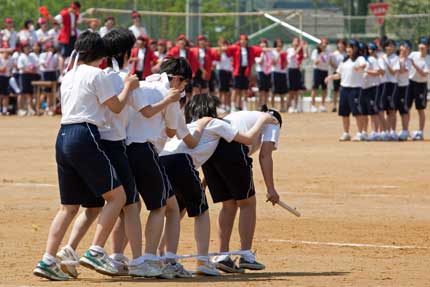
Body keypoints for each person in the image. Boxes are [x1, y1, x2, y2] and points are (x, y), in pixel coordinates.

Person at [32, 30, 140, 281]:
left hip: (63, 136)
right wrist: (128, 86)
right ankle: (96, 249)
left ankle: (48, 259)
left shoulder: (68, 75)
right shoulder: (97, 74)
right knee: (118, 196)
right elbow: (116, 106)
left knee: (69, 207)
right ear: (99, 54)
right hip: (85, 134)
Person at [160, 94, 277, 275]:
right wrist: (263, 119)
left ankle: (161, 257)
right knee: (205, 211)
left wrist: (206, 180)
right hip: (184, 164)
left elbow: (203, 150)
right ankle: (207, 261)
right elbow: (249, 140)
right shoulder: (216, 123)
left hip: (163, 162)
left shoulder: (190, 125)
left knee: (174, 211)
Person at [195, 101, 281, 273]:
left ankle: (222, 256)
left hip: (211, 150)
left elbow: (218, 147)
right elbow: (265, 155)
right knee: (247, 204)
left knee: (228, 205)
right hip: (233, 149)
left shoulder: (243, 114)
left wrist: (205, 181)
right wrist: (271, 188)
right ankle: (245, 255)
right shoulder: (272, 121)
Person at [325, 40, 367, 141]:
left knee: (357, 113)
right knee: (344, 113)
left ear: (356, 49)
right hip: (344, 89)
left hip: (355, 89)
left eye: (351, 47)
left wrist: (359, 67)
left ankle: (360, 133)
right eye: (347, 47)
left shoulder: (359, 59)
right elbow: (339, 74)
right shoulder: (344, 61)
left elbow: (364, 65)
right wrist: (330, 77)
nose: (348, 49)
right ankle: (346, 133)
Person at [223, 34, 262, 111]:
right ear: (239, 41)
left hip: (246, 70)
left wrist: (264, 48)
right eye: (241, 39)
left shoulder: (250, 49)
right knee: (235, 89)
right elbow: (227, 50)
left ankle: (244, 106)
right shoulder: (236, 48)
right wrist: (226, 47)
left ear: (247, 41)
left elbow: (259, 50)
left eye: (245, 40)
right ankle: (233, 106)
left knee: (245, 89)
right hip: (238, 70)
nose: (243, 41)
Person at [408, 37, 430, 141]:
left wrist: (413, 64)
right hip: (410, 83)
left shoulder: (428, 59)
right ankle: (405, 130)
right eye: (420, 44)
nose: (422, 46)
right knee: (406, 108)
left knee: (420, 109)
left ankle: (420, 132)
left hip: (421, 85)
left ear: (428, 47)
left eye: (424, 44)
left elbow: (423, 73)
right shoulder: (413, 54)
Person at [379, 39, 400, 140]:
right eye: (387, 46)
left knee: (392, 110)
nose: (389, 48)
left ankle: (393, 131)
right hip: (383, 84)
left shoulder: (396, 58)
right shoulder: (381, 57)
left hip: (393, 85)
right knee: (383, 109)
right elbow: (381, 72)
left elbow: (393, 72)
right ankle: (385, 131)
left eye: (391, 46)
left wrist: (386, 63)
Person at [55, 1, 82, 77]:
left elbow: (80, 20)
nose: (76, 11)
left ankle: (72, 71)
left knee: (73, 54)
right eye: (75, 9)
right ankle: (61, 74)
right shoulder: (64, 14)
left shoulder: (76, 15)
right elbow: (55, 20)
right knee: (63, 55)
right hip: (65, 37)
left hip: (72, 36)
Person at [362, 42, 382, 141]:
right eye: (369, 49)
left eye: (372, 49)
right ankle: (367, 131)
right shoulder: (365, 60)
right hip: (365, 87)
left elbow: (377, 72)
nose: (370, 51)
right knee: (367, 111)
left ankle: (375, 132)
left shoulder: (374, 60)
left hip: (373, 87)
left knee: (374, 111)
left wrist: (365, 71)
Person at [396, 41, 412, 141]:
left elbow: (402, 71)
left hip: (404, 86)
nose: (404, 49)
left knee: (404, 109)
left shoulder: (409, 61)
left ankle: (405, 130)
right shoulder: (395, 58)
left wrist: (398, 63)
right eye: (403, 47)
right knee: (394, 109)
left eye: (407, 48)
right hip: (394, 86)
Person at [17, 41, 38, 116]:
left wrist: (33, 70)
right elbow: (20, 67)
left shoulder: (32, 56)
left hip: (30, 76)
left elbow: (35, 66)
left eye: (28, 47)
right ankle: (19, 109)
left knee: (30, 93)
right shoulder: (21, 56)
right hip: (23, 76)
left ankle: (29, 109)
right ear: (23, 48)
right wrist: (29, 70)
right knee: (22, 92)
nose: (27, 48)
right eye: (25, 47)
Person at [310, 38, 330, 113]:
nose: (324, 45)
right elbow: (315, 62)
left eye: (326, 43)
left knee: (324, 88)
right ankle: (313, 105)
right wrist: (320, 56)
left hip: (325, 71)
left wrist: (322, 58)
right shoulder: (316, 51)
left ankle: (322, 105)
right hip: (317, 70)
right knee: (315, 88)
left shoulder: (328, 51)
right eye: (323, 43)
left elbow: (328, 61)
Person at [39, 42, 59, 115]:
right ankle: (41, 107)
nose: (51, 49)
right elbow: (43, 65)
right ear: (46, 48)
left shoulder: (55, 56)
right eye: (49, 47)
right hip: (45, 73)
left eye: (52, 48)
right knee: (45, 92)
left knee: (51, 92)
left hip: (53, 73)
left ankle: (49, 107)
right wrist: (48, 57)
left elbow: (56, 65)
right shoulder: (43, 55)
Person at [286, 37, 306, 112]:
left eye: (298, 41)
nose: (297, 42)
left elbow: (305, 56)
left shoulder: (300, 51)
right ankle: (289, 106)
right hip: (290, 70)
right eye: (295, 41)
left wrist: (304, 48)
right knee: (290, 90)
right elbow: (293, 55)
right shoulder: (290, 50)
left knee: (296, 90)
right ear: (292, 42)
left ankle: (296, 106)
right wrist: (300, 46)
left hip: (297, 70)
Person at [271, 38, 288, 112]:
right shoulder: (273, 52)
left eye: (281, 44)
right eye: (278, 44)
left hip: (283, 72)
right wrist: (279, 55)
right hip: (275, 72)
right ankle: (272, 107)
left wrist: (284, 57)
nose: (279, 45)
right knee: (274, 91)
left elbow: (286, 63)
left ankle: (282, 107)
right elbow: (273, 63)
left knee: (282, 92)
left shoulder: (284, 52)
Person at [255, 38, 273, 108]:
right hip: (261, 72)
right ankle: (260, 105)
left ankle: (265, 105)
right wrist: (262, 53)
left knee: (267, 90)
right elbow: (259, 62)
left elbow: (272, 61)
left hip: (268, 72)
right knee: (261, 90)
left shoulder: (269, 53)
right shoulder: (258, 53)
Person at [329, 39, 346, 112]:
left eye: (342, 44)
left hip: (344, 74)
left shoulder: (346, 54)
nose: (341, 45)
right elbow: (331, 62)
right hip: (336, 72)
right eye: (339, 44)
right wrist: (337, 67)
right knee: (335, 90)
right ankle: (334, 106)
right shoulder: (334, 53)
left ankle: (343, 105)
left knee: (343, 90)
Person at [0, 50, 13, 115]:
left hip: (7, 78)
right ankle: (0, 110)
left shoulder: (10, 59)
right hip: (1, 77)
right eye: (5, 53)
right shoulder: (0, 59)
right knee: (1, 95)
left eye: (8, 53)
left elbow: (11, 69)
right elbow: (1, 70)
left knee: (6, 95)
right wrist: (6, 63)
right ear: (3, 53)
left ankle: (5, 110)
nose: (7, 54)